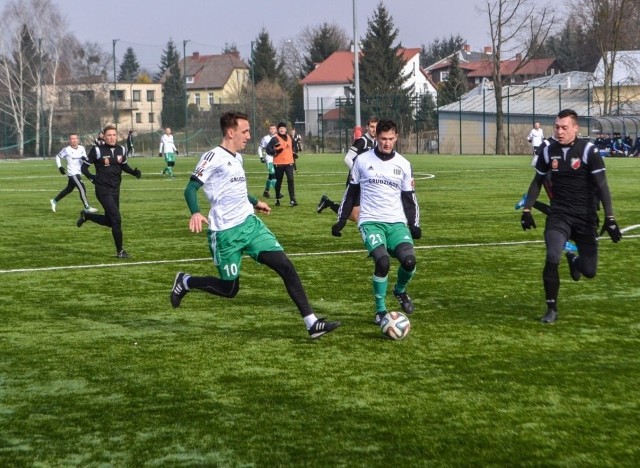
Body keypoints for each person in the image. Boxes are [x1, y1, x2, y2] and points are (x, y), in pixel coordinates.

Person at [170, 111, 341, 339]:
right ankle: (186, 281)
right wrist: (196, 212)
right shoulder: (212, 157)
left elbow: (237, 189)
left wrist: (255, 201)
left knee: (285, 266)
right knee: (230, 289)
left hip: (250, 226)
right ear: (230, 133)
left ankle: (311, 323)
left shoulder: (237, 158)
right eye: (245, 131)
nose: (249, 136)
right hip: (225, 233)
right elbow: (190, 189)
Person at [520, 109, 622, 324]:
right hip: (559, 215)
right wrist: (527, 209)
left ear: (576, 128)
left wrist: (610, 218)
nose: (559, 131)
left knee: (589, 271)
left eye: (564, 127)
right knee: (552, 256)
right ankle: (551, 309)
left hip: (585, 218)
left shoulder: (588, 151)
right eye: (557, 127)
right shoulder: (548, 151)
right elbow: (537, 181)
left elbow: (602, 186)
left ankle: (574, 260)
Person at [331, 118, 421, 325]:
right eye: (383, 139)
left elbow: (410, 199)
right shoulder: (362, 161)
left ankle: (400, 290)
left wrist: (414, 224)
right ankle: (380, 311)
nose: (386, 143)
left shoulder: (404, 165)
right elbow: (351, 193)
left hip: (396, 223)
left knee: (409, 262)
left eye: (390, 139)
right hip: (370, 221)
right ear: (376, 137)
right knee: (383, 262)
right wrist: (341, 220)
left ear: (396, 137)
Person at [79, 124, 142, 258]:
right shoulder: (97, 150)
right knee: (116, 219)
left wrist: (134, 172)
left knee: (110, 221)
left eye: (114, 135)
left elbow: (124, 166)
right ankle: (120, 251)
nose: (112, 137)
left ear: (116, 136)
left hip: (115, 189)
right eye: (109, 135)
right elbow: (84, 168)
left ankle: (87, 216)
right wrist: (93, 178)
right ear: (104, 136)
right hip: (102, 189)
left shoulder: (122, 149)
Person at [317, 116, 379, 218]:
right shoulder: (362, 141)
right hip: (355, 180)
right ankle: (328, 202)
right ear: (367, 127)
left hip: (367, 180)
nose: (374, 129)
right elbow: (347, 158)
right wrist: (358, 173)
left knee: (366, 210)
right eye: (372, 127)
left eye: (376, 127)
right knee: (354, 216)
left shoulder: (375, 142)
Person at [50, 133, 98, 214]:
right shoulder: (66, 150)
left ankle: (54, 201)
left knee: (69, 189)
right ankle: (87, 207)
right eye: (72, 139)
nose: (74, 140)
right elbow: (58, 156)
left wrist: (84, 159)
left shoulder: (82, 148)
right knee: (82, 188)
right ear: (69, 140)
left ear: (78, 139)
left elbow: (85, 159)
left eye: (75, 138)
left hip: (79, 172)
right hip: (72, 173)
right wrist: (60, 167)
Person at [266, 121, 297, 207]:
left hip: (289, 163)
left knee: (290, 180)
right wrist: (275, 151)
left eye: (283, 128)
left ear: (286, 129)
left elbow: (292, 148)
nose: (282, 129)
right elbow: (268, 149)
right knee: (279, 182)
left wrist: (294, 154)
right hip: (279, 164)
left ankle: (292, 199)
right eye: (280, 128)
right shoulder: (275, 138)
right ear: (278, 130)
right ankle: (277, 199)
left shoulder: (289, 137)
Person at [257, 123, 277, 198]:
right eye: (271, 129)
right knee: (273, 174)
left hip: (277, 159)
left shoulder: (279, 137)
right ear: (269, 130)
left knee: (271, 176)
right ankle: (277, 192)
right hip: (269, 159)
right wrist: (261, 157)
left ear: (276, 129)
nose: (272, 130)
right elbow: (260, 148)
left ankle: (266, 191)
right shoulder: (265, 138)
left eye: (273, 128)